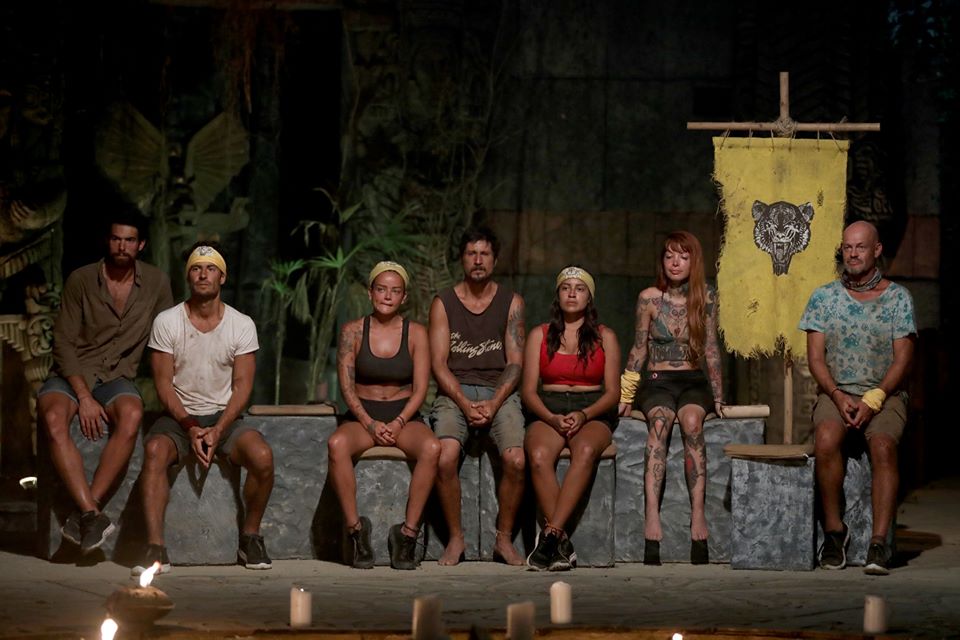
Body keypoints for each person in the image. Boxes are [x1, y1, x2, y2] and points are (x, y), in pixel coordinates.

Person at [134, 242, 274, 575]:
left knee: (262, 456)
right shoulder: (168, 321)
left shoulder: (241, 324)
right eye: (196, 268)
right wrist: (190, 426)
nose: (203, 274)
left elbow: (242, 386)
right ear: (188, 276)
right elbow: (163, 384)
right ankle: (155, 548)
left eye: (211, 269)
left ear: (222, 277)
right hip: (179, 417)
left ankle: (250, 537)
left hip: (225, 417)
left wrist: (219, 428)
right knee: (154, 451)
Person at [37, 210, 173, 555]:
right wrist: (83, 396)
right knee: (52, 417)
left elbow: (168, 337)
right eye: (116, 239)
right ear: (107, 241)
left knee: (132, 413)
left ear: (141, 245)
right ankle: (91, 514)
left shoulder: (157, 283)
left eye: (129, 240)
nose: (122, 246)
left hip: (118, 376)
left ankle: (88, 510)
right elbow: (63, 343)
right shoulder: (82, 279)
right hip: (72, 373)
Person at [799, 221, 915, 576]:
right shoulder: (824, 297)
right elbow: (816, 358)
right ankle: (835, 532)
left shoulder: (898, 298)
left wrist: (874, 399)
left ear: (876, 250)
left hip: (885, 393)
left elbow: (903, 359)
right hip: (837, 392)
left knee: (882, 445)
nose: (852, 253)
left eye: (860, 247)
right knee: (826, 438)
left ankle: (878, 542)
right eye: (847, 247)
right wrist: (836, 395)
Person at [618, 230, 723, 565]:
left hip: (692, 380)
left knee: (692, 422)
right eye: (669, 256)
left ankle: (698, 515)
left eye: (683, 256)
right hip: (657, 381)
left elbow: (711, 349)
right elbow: (638, 349)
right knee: (660, 423)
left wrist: (719, 396)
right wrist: (626, 394)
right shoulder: (649, 298)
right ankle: (652, 515)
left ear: (694, 261)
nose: (675, 262)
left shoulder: (707, 297)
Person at [328, 261, 440, 570]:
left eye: (395, 291)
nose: (387, 296)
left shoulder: (416, 333)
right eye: (381, 289)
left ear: (404, 297)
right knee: (336, 445)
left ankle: (407, 535)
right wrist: (370, 423)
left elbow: (421, 388)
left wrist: (399, 422)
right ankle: (356, 531)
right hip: (364, 415)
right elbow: (346, 387)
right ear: (370, 293)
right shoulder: (352, 331)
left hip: (403, 415)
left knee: (432, 448)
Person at [429, 226, 526, 566]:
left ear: (495, 260)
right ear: (462, 259)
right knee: (444, 457)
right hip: (454, 391)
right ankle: (456, 538)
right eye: (472, 254)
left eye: (484, 254)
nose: (478, 260)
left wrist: (494, 402)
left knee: (516, 459)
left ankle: (504, 539)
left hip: (499, 391)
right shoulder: (443, 302)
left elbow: (515, 363)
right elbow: (438, 364)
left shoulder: (512, 302)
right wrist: (464, 402)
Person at [523, 266, 621, 571]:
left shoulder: (606, 336)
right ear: (558, 295)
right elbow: (528, 392)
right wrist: (551, 418)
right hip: (549, 408)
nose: (572, 294)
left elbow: (613, 393)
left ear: (589, 297)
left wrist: (584, 414)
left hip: (591, 408)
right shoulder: (539, 335)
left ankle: (550, 536)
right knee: (539, 455)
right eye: (566, 288)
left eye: (579, 289)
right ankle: (561, 543)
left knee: (586, 450)